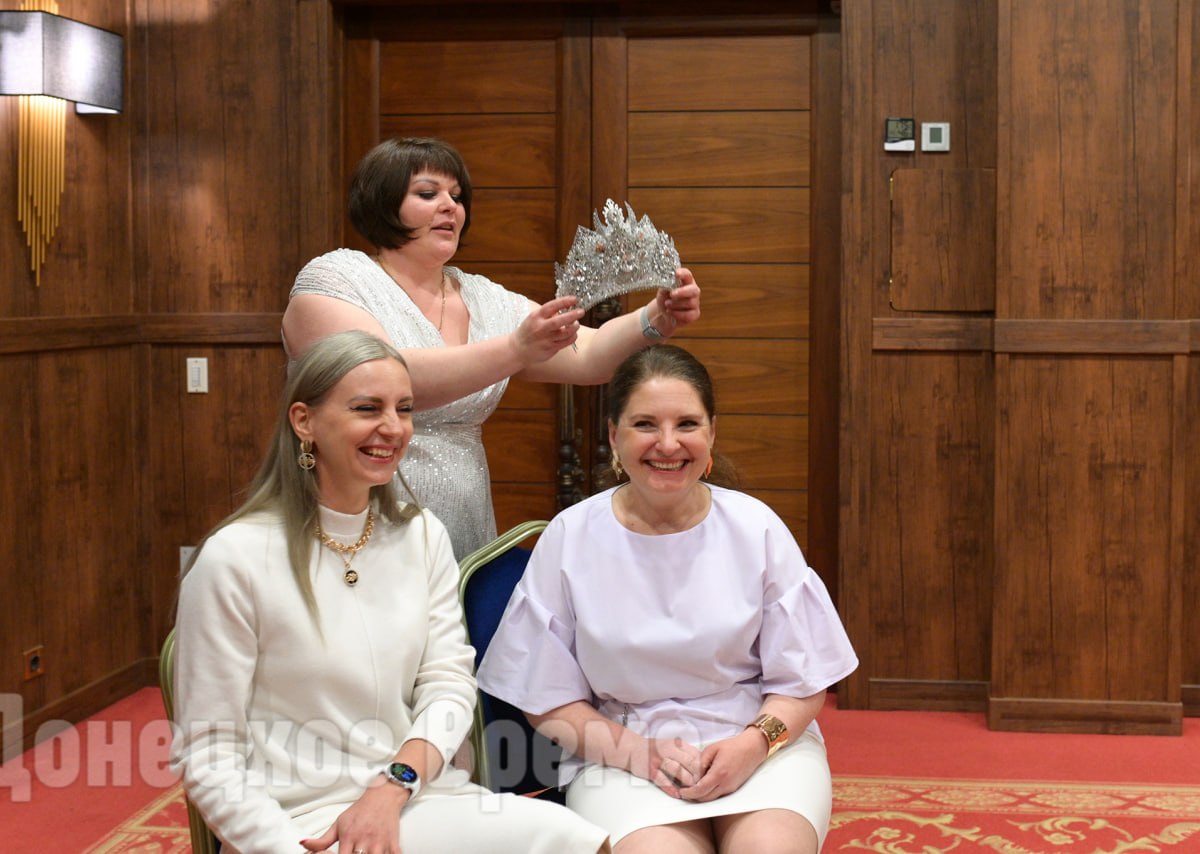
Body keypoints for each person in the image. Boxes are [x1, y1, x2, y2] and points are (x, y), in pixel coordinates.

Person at [171, 330, 610, 854]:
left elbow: (448, 685)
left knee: (573, 839)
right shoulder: (234, 558)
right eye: (367, 408)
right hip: (296, 822)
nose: (393, 428)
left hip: (415, 795)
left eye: (403, 409)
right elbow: (209, 756)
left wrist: (394, 783)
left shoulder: (421, 535)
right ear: (303, 421)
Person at [475, 345, 858, 854]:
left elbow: (803, 682)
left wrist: (752, 744)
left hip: (760, 742)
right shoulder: (571, 536)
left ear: (712, 433)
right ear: (614, 435)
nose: (668, 443)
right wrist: (640, 753)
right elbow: (547, 701)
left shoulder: (757, 527)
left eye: (687, 424)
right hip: (621, 753)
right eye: (645, 425)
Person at [282, 137, 702, 559]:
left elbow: (587, 355)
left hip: (464, 519)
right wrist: (517, 348)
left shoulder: (483, 297)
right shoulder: (336, 278)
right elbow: (383, 380)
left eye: (457, 197)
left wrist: (655, 318)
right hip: (356, 510)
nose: (450, 207)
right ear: (383, 203)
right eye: (428, 194)